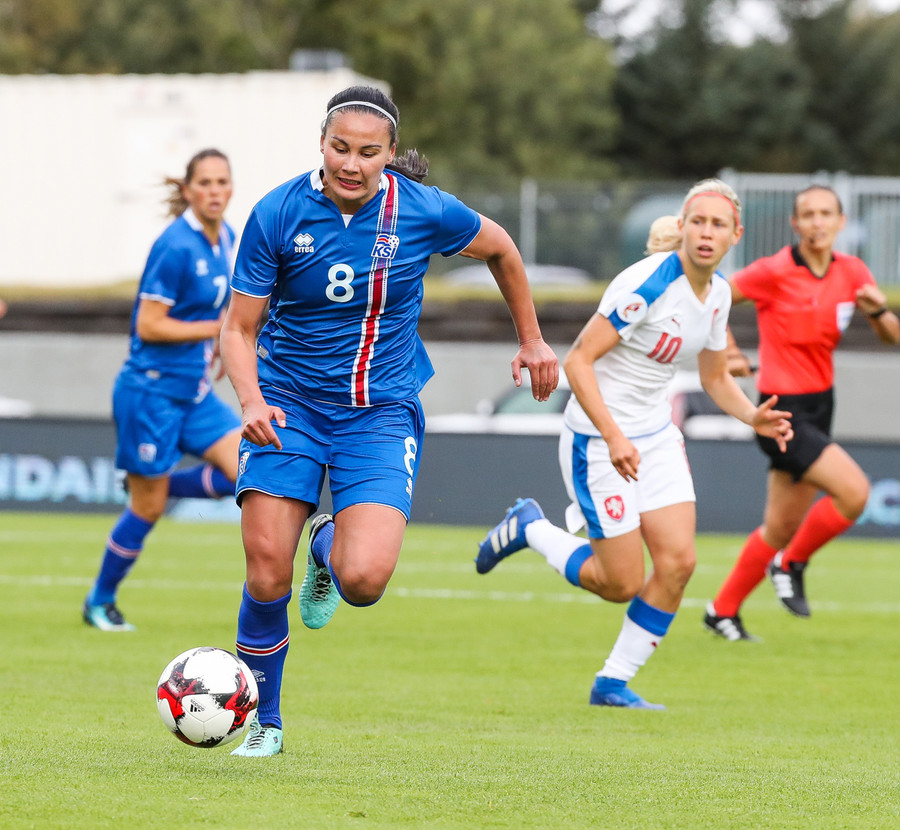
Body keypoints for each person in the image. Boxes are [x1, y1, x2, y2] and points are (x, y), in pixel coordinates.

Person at [219, 85, 558, 756]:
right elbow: (238, 327)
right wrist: (251, 400)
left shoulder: (424, 210)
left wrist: (533, 340)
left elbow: (502, 249)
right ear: (321, 144)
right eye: (340, 148)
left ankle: (326, 544)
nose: (351, 163)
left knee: (364, 581)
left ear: (390, 153)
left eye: (368, 152)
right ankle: (265, 723)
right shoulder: (276, 213)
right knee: (266, 572)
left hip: (378, 412)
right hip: (288, 403)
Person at [475, 179, 793, 710]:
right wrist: (614, 436)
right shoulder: (648, 284)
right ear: (683, 227)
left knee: (678, 564)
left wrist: (751, 416)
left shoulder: (718, 293)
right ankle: (531, 528)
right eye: (698, 222)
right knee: (619, 583)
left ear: (735, 235)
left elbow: (715, 377)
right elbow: (578, 361)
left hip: (655, 438)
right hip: (598, 440)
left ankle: (612, 683)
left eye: (718, 224)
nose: (707, 233)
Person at [703, 184, 900, 641]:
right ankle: (790, 563)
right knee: (855, 494)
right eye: (807, 214)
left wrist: (879, 312)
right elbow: (713, 296)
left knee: (780, 526)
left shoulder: (852, 271)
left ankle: (721, 611)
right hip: (781, 412)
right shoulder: (774, 270)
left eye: (825, 213)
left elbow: (892, 335)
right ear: (795, 223)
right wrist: (728, 350)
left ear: (841, 222)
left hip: (821, 404)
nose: (817, 222)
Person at [83, 149, 242, 632]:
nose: (214, 191)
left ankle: (156, 485)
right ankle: (99, 602)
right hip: (150, 393)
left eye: (222, 181)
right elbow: (149, 325)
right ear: (188, 190)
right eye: (205, 183)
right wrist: (217, 332)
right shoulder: (175, 246)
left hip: (193, 394)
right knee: (147, 510)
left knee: (250, 472)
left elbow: (219, 310)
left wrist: (220, 347)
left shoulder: (226, 237)